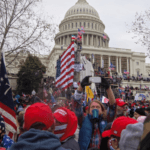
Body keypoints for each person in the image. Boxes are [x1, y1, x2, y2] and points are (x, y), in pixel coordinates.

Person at [73, 76, 116, 150]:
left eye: (98, 107)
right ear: (88, 110)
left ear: (102, 110)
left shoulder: (106, 119)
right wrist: (81, 86)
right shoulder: (83, 120)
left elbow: (112, 106)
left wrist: (108, 88)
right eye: (92, 107)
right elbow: (76, 104)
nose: (95, 109)